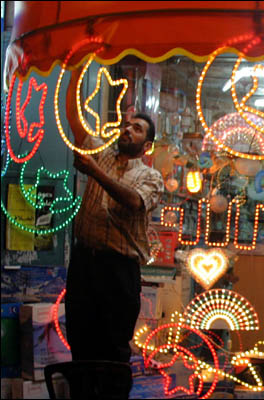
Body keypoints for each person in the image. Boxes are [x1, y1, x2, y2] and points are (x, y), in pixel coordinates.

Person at [64, 66, 164, 396]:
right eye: (126, 125)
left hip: (118, 272)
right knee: (80, 342)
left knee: (112, 351)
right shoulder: (101, 154)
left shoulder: (151, 177)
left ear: (146, 144)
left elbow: (134, 202)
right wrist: (77, 69)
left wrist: (94, 172)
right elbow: (74, 120)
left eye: (136, 129)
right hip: (84, 264)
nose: (127, 130)